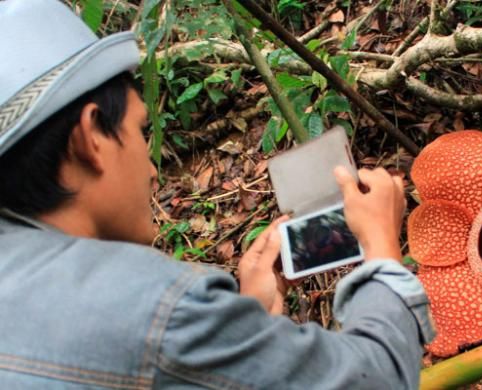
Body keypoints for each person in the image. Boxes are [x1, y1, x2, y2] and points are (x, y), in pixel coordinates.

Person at [0, 0, 434, 388]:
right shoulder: (158, 310)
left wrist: (246, 321)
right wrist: (381, 248)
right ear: (91, 137)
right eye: (140, 131)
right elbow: (377, 378)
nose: (151, 170)